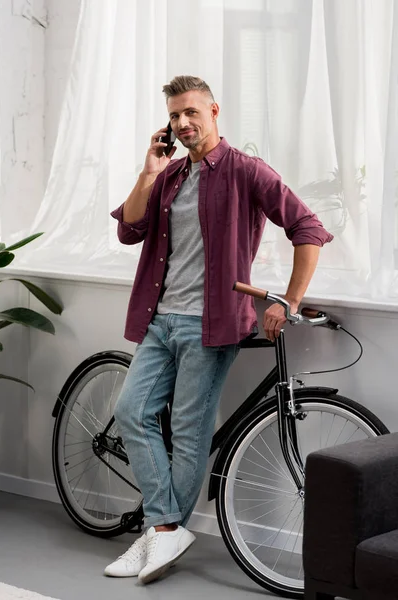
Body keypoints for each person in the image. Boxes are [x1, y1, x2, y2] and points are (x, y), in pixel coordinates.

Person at [105, 75, 333, 585]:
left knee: (188, 435)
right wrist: (148, 170)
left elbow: (308, 229)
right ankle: (165, 528)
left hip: (211, 326)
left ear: (214, 110)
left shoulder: (246, 171)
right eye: (174, 116)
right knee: (130, 412)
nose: (183, 123)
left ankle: (158, 533)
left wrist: (289, 300)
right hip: (160, 319)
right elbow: (128, 229)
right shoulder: (168, 176)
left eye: (192, 112)